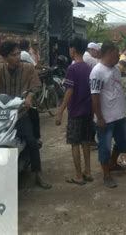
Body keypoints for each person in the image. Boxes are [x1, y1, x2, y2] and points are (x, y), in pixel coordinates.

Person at [0, 41, 51, 189]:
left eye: (18, 54)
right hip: (2, 113)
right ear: (4, 57)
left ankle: (38, 174)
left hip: (20, 112)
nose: (17, 57)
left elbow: (35, 86)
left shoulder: (28, 68)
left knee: (31, 140)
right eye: (13, 54)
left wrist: (29, 97)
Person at [90, 41, 126, 188]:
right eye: (115, 54)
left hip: (119, 115)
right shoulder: (97, 72)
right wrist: (99, 117)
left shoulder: (115, 70)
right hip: (105, 118)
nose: (117, 56)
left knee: (124, 142)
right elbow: (94, 97)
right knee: (104, 147)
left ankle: (113, 163)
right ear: (108, 54)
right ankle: (106, 174)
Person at [55, 37, 93, 185]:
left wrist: (60, 111)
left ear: (73, 49)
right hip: (87, 111)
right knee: (85, 142)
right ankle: (88, 172)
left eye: (70, 48)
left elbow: (69, 91)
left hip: (76, 112)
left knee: (75, 143)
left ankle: (78, 175)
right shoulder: (88, 68)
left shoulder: (72, 68)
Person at [19, 39, 42, 147]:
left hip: (24, 90)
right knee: (33, 111)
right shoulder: (25, 55)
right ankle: (36, 138)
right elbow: (35, 66)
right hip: (25, 88)